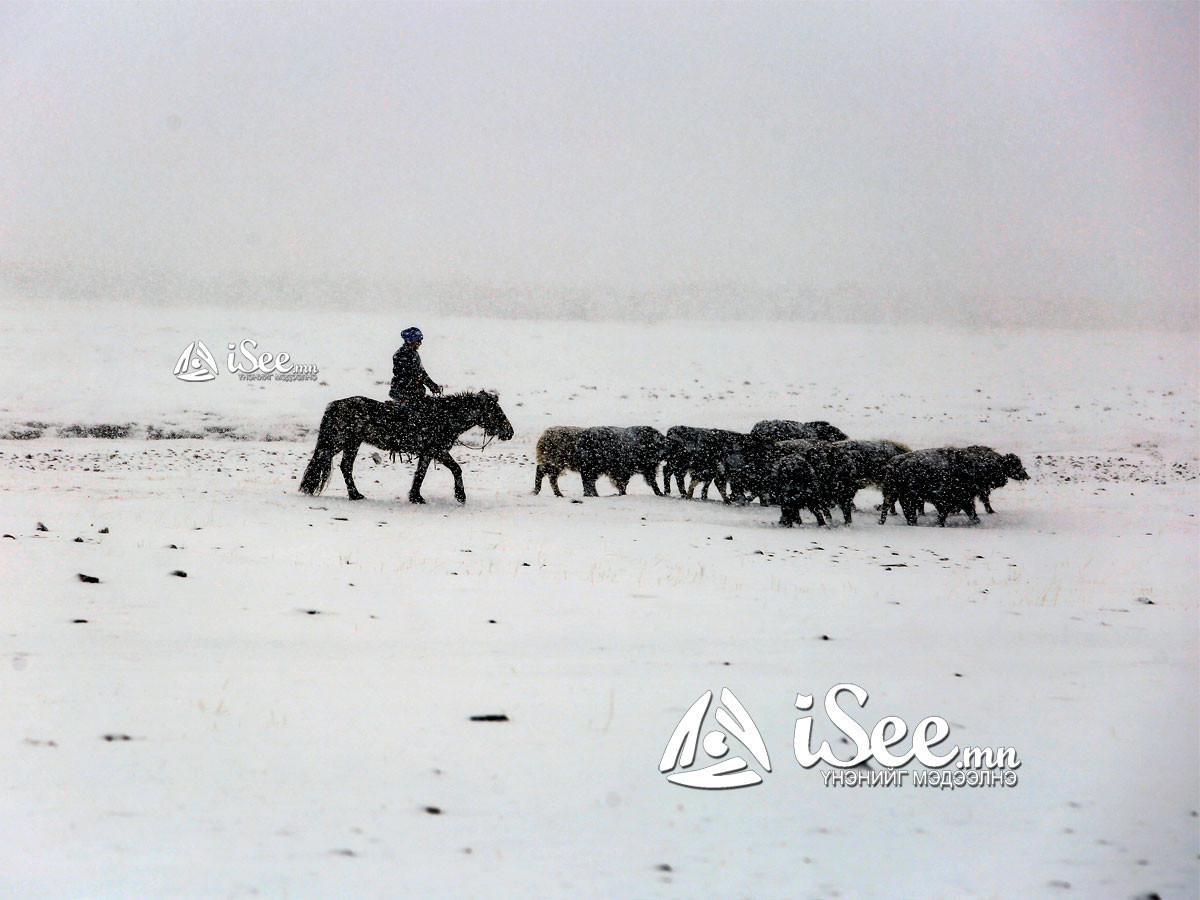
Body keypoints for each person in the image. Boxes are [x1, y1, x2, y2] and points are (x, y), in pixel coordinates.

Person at [388, 327, 443, 420]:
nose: (420, 343)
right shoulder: (402, 355)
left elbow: (421, 373)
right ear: (410, 341)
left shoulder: (413, 354)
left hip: (412, 393)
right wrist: (428, 385)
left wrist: (433, 386)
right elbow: (415, 374)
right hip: (404, 392)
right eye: (418, 341)